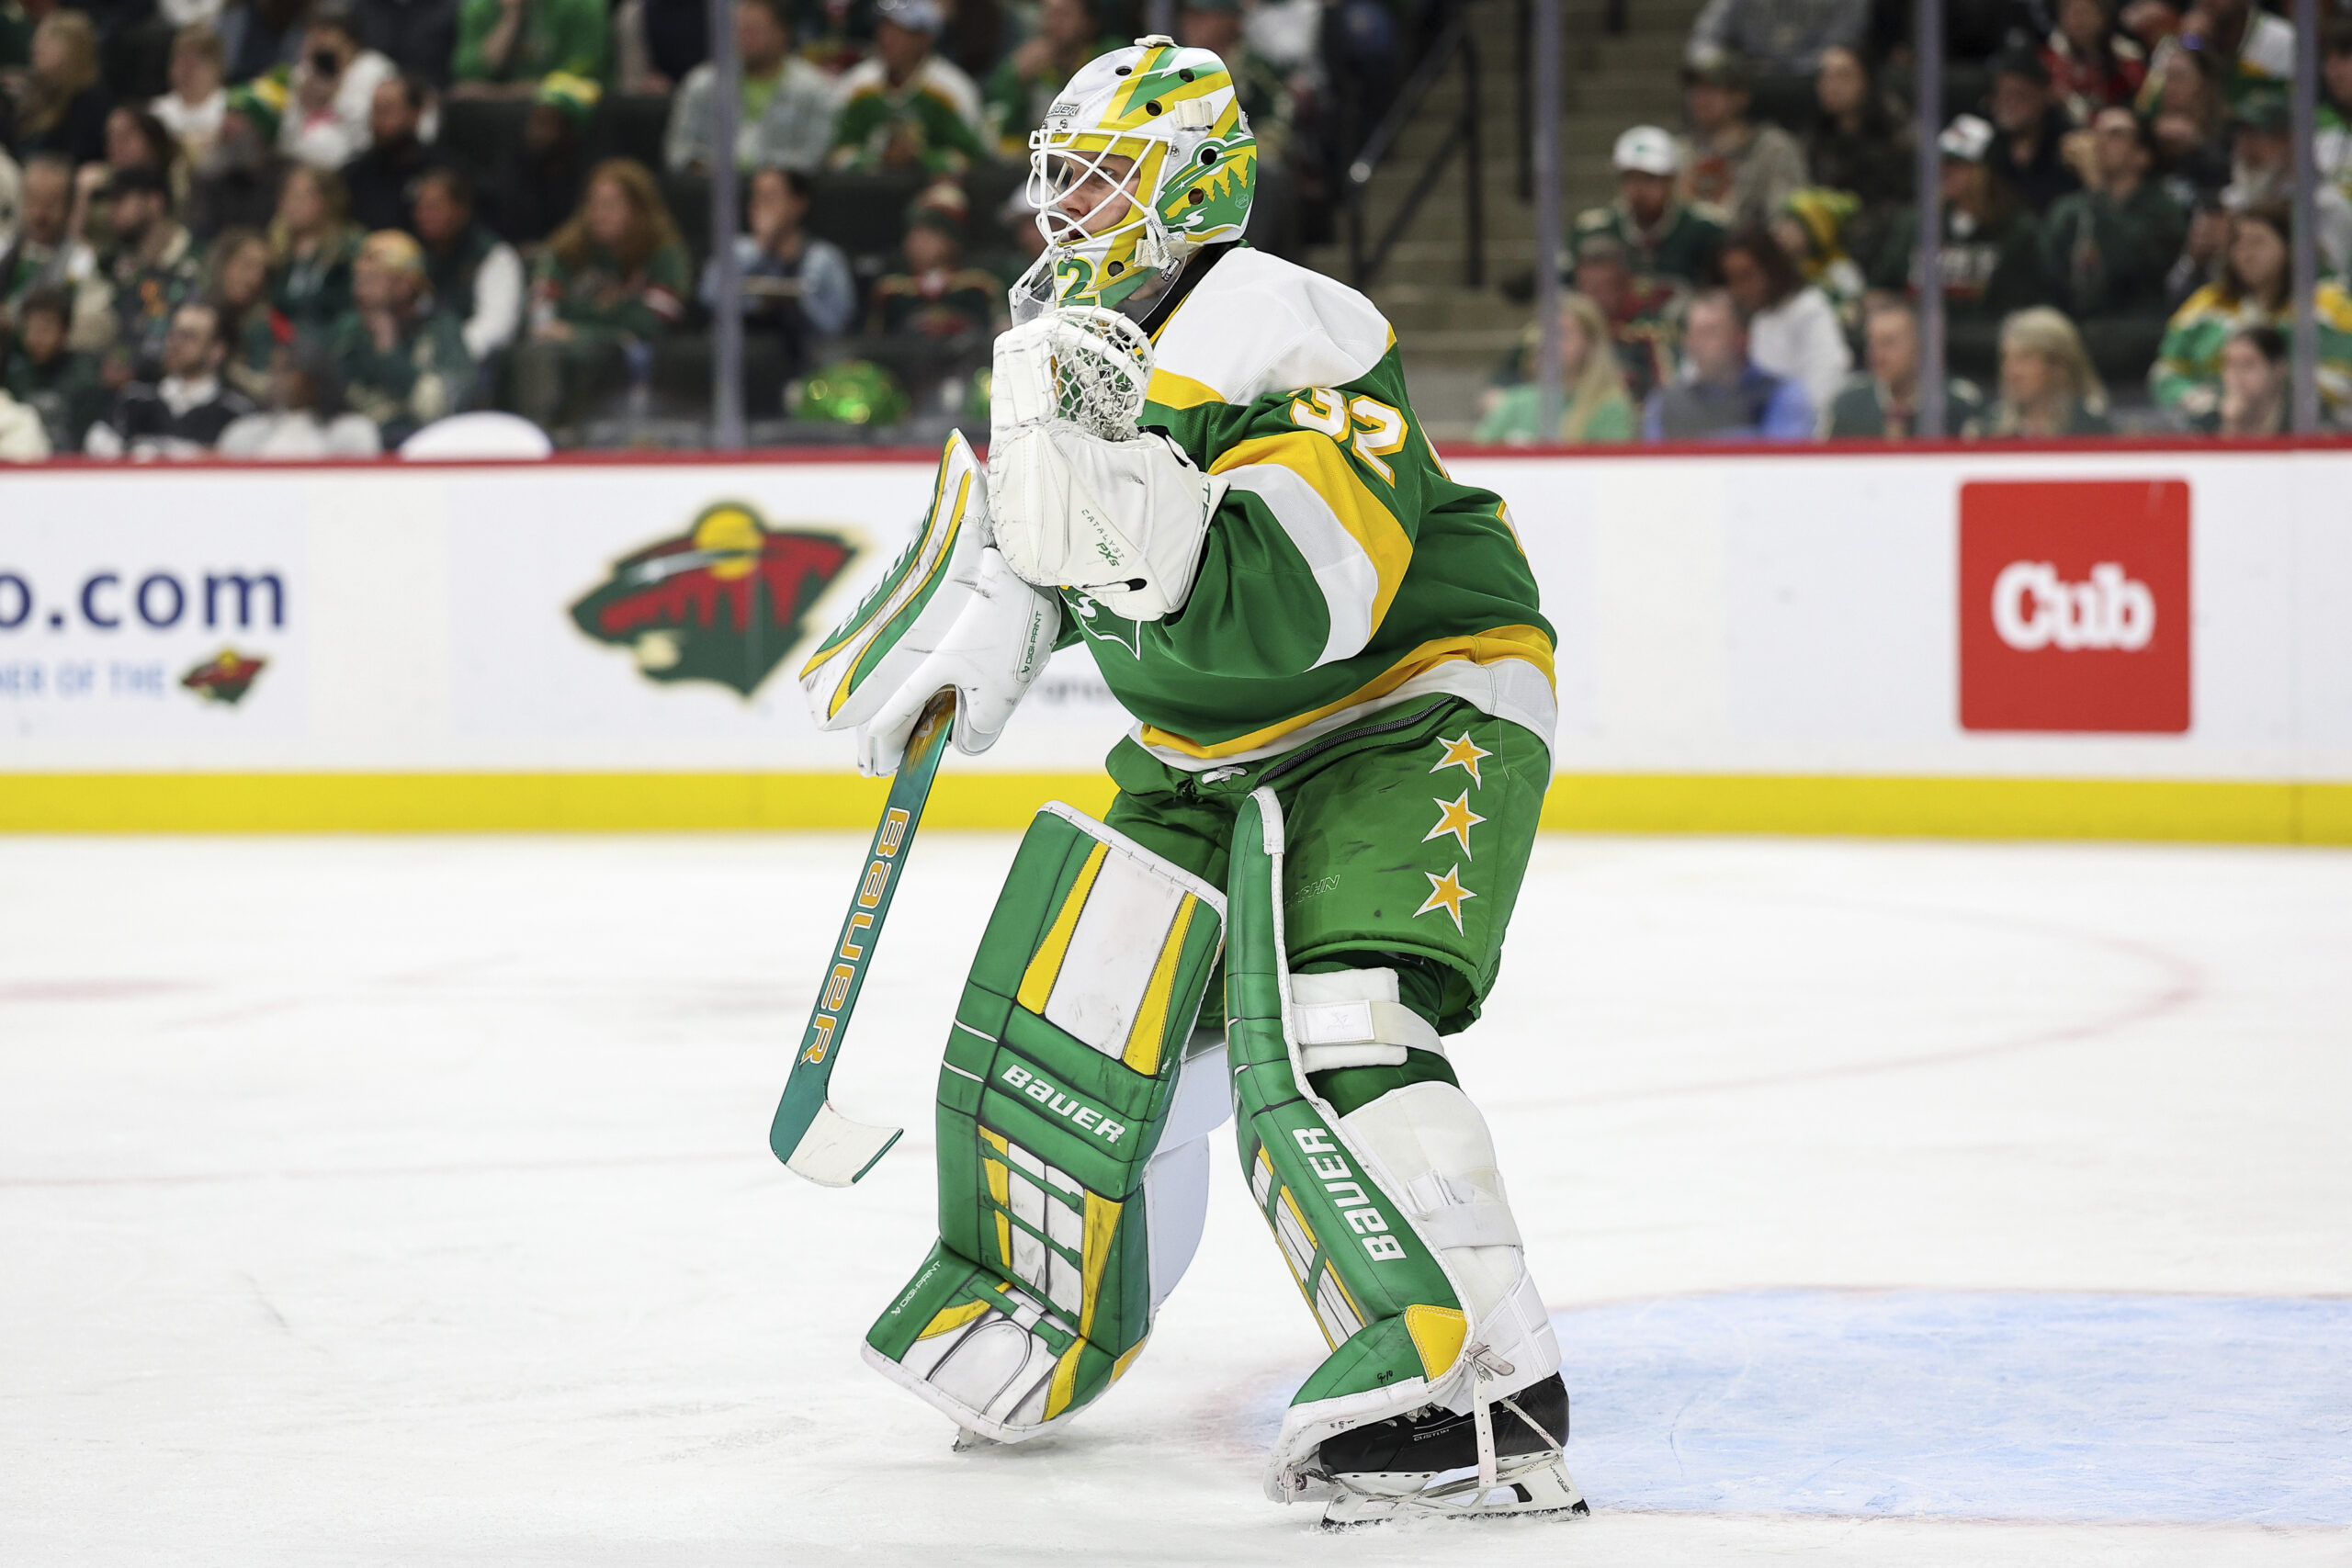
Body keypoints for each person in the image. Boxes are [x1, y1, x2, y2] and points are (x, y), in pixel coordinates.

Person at [839, 36, 1584, 1529]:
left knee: (1333, 1018)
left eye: (1103, 171)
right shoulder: (1068, 324)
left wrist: (1124, 501)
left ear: (1193, 183)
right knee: (1083, 1007)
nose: (1069, 199)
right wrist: (980, 638)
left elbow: (1317, 597)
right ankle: (1042, 1308)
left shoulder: (1287, 321)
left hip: (1403, 710)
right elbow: (1027, 539)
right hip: (1203, 750)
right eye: (1063, 171)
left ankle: (1486, 1385)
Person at [514, 156, 685, 439]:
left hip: (635, 367)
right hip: (564, 362)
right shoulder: (563, 251)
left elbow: (650, 324)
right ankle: (542, 434)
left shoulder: (664, 253)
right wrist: (616, 320)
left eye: (611, 204)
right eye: (593, 203)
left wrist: (578, 328)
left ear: (638, 209)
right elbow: (542, 318)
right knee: (537, 353)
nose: (599, 213)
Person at [2154, 203, 2352, 419]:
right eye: (2237, 243)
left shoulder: (2329, 305)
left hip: (2318, 434)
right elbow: (2165, 371)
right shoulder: (2206, 306)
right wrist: (2198, 400)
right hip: (2221, 435)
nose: (2246, 254)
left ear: (2289, 247)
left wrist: (2290, 393)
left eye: (2258, 243)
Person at [1868, 116, 2048, 325]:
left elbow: (2027, 310)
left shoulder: (2019, 231)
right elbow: (1880, 290)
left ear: (1986, 170)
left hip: (1988, 349)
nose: (1944, 171)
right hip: (1920, 349)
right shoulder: (1916, 223)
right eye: (1940, 162)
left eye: (1956, 163)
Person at [699, 164, 853, 376]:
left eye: (771, 197)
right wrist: (761, 247)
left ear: (798, 203)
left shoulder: (825, 258)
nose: (760, 206)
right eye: (756, 197)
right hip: (744, 368)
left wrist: (798, 302)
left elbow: (837, 325)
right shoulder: (738, 252)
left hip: (808, 369)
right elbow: (708, 297)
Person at [324, 227, 470, 442]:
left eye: (372, 279)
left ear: (405, 284)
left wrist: (389, 350)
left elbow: (440, 406)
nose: (359, 291)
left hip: (423, 441)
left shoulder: (441, 329)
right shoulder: (348, 331)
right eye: (358, 279)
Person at [2041, 105, 2184, 321]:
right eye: (2096, 133)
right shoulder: (2066, 210)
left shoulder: (2162, 208)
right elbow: (2047, 277)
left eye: (2115, 134)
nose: (2099, 142)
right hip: (2074, 324)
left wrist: (2097, 188)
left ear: (2142, 156)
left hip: (2135, 328)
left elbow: (2130, 264)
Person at [664, 0, 836, 176]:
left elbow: (814, 155)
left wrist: (766, 178)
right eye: (738, 30)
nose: (743, 38)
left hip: (781, 194)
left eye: (753, 30)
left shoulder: (816, 90)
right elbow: (679, 151)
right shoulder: (702, 84)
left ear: (782, 33)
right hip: (711, 192)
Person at [829, 0, 988, 175]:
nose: (887, 37)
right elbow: (834, 154)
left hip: (932, 192)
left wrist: (920, 157)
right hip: (862, 194)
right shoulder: (856, 85)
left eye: (900, 30)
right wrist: (879, 157)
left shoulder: (953, 90)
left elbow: (973, 158)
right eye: (885, 26)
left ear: (925, 38)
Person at [85, 296, 254, 454]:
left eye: (189, 336)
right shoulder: (133, 400)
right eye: (173, 333)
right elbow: (96, 447)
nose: (175, 343)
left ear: (217, 351)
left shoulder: (236, 414)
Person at [1644, 286, 1815, 439]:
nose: (1696, 344)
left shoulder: (1781, 396)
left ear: (1741, 338)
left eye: (1709, 332)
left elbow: (1783, 464)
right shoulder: (1665, 403)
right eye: (1693, 332)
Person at [1474, 289, 1637, 444]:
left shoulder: (1611, 408)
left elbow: (1611, 469)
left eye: (1561, 333)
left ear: (1591, 344)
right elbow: (1477, 460)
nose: (1547, 342)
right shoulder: (1516, 403)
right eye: (1544, 332)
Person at [1716, 221, 1849, 411]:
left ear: (1770, 267)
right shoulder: (1755, 319)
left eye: (1747, 276)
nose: (1739, 290)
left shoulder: (1809, 308)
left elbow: (1827, 378)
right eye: (1732, 279)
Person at [1572, 125, 1724, 288]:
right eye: (1629, 178)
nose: (1638, 189)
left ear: (1670, 181)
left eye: (1649, 179)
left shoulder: (1703, 230)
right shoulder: (1594, 229)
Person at [2223, 89, 2352, 279]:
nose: (2245, 147)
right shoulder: (2231, 201)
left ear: (2291, 142)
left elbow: (2333, 283)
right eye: (2240, 136)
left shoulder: (2325, 205)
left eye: (2257, 136)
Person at [1823, 291, 1987, 436]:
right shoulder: (1848, 406)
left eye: (1888, 343)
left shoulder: (1958, 405)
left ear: (1919, 347)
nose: (1877, 355)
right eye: (1872, 343)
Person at [1679, 57, 1807, 229]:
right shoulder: (1681, 151)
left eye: (1712, 89)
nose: (1701, 97)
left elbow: (1788, 219)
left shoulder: (1773, 149)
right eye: (1695, 89)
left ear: (1740, 97)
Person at [96, 165, 200, 377]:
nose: (111, 210)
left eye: (121, 199)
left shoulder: (198, 258)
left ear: (155, 202)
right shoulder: (116, 263)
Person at [411, 165, 521, 362]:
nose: (424, 216)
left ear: (462, 210)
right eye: (420, 208)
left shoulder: (494, 256)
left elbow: (497, 327)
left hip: (478, 364)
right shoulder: (419, 256)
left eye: (434, 208)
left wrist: (448, 352)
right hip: (422, 359)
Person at [1, 152, 110, 349]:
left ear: (69, 207)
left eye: (51, 203)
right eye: (33, 200)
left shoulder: (81, 261)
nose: (39, 214)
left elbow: (93, 327)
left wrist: (25, 328)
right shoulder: (4, 248)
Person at [982, 0, 1116, 157]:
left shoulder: (1110, 59)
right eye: (1048, 14)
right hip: (1038, 160)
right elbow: (1002, 131)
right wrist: (1019, 83)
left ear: (1089, 22)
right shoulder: (1023, 64)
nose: (1052, 23)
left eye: (1063, 15)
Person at [867, 182, 997, 339]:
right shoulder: (891, 289)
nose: (920, 243)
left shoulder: (977, 285)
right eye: (915, 235)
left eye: (930, 236)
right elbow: (877, 339)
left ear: (952, 242)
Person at [1565, 230, 1680, 399]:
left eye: (1605, 288)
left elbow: (1670, 387)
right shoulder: (1565, 328)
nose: (1595, 298)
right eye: (1587, 288)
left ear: (1625, 284)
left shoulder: (1651, 329)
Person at [278, 6, 397, 169]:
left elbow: (365, 137)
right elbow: (285, 142)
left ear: (349, 40)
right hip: (302, 169)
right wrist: (303, 104)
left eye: (324, 31)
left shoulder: (373, 70)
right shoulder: (302, 74)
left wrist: (336, 92)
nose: (316, 40)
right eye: (310, 33)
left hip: (354, 169)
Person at [217, 340, 383, 453]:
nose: (275, 377)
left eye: (286, 369)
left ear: (314, 375)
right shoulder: (245, 433)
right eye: (273, 369)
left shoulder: (352, 431)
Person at [1971, 305, 2112, 436]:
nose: (2011, 372)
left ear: (2059, 366)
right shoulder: (1986, 430)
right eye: (2006, 359)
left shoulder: (2093, 430)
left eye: (2025, 358)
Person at [1803, 44, 1911, 209]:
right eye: (1825, 76)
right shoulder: (1813, 138)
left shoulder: (1899, 136)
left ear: (1867, 81)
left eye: (1843, 76)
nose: (1831, 85)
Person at [0, 281, 107, 447]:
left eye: (45, 329)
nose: (36, 338)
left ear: (65, 331)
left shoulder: (87, 374)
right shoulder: (15, 375)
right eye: (30, 329)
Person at [185, 77, 288, 240]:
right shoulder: (207, 179)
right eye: (226, 115)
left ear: (260, 131)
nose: (226, 125)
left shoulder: (285, 179)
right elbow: (199, 233)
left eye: (238, 117)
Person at [1984, 49, 2083, 217]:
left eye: (2019, 95)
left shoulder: (2069, 145)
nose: (2009, 104)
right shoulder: (1989, 147)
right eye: (2002, 95)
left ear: (2044, 95)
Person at [266, 162, 358, 338]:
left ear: (327, 199)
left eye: (303, 197)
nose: (293, 204)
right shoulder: (275, 252)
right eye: (288, 196)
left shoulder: (347, 248)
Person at [7, 8, 109, 166]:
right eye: (38, 37)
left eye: (49, 40)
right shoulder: (30, 97)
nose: (36, 46)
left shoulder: (91, 103)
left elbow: (78, 158)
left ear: (74, 50)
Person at [339, 72, 435, 232]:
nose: (377, 121)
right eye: (375, 110)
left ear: (415, 114)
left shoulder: (439, 173)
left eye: (387, 110)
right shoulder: (354, 176)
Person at [450, 0, 606, 96]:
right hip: (496, 118)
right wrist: (511, 17)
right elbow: (467, 74)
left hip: (568, 116)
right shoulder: (479, 8)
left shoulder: (582, 5)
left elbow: (582, 74)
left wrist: (499, 94)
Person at [202, 223, 285, 400]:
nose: (255, 279)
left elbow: (264, 385)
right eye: (247, 265)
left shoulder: (264, 325)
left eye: (263, 271)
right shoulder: (197, 312)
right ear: (223, 264)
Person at [1685, 0, 1866, 74]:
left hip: (1815, 74)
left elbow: (1843, 39)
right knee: (1706, 79)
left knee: (1841, 65)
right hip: (1752, 76)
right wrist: (1722, 64)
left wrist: (1796, 67)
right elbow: (1704, 39)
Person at [2042, 0, 2148, 121]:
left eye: (2086, 12)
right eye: (2073, 13)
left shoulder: (2126, 55)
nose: (2079, 21)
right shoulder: (2050, 61)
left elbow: (2142, 99)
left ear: (2102, 17)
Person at [151, 21, 226, 167]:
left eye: (194, 64)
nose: (186, 72)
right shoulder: (157, 113)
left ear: (216, 68)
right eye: (180, 62)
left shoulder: (231, 108)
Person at [2188, 321, 2284, 434]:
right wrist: (2231, 425)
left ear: (2278, 368)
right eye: (2229, 364)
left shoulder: (2300, 418)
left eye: (2248, 364)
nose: (2236, 375)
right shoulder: (2206, 421)